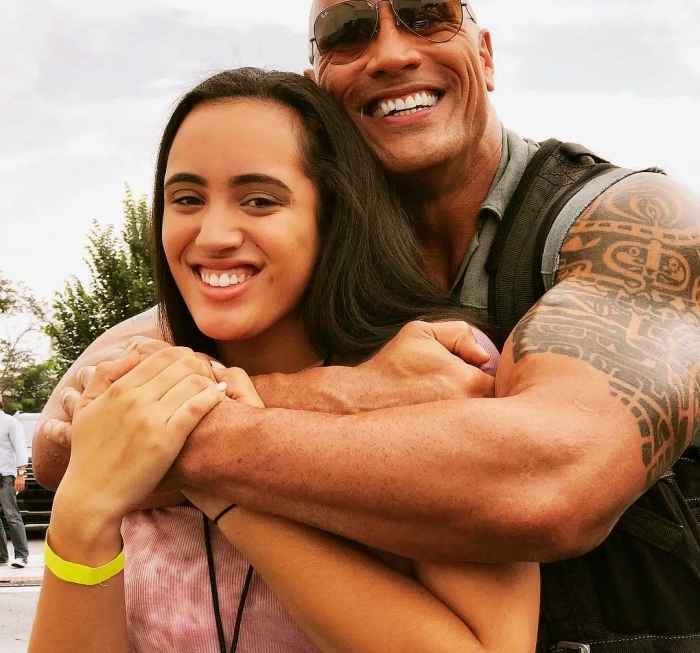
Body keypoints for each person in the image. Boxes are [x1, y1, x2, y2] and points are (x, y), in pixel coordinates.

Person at [34, 0, 700, 648]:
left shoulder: (629, 222)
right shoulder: (280, 279)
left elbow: (556, 483)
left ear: (487, 54)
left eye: (428, 16)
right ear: (318, 87)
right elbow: (67, 436)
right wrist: (346, 390)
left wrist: (171, 434)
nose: (389, 53)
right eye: (347, 33)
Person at [29, 67, 538, 653]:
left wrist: (226, 480)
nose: (215, 233)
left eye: (260, 200)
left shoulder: (435, 382)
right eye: (187, 198)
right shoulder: (127, 398)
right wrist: (82, 517)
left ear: (333, 214)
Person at [0, 395, 30, 568]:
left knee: (11, 515)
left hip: (6, 475)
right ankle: (2, 555)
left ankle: (21, 555)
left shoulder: (10, 422)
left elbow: (20, 447)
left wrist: (20, 473)